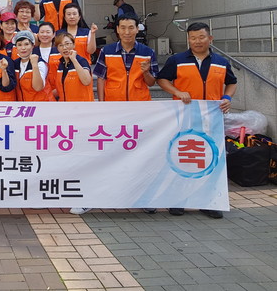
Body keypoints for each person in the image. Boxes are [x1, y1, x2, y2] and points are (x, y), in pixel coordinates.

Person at [157, 22, 237, 220]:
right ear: (188, 40)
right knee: (181, 157)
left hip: (212, 119)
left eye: (201, 37)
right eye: (192, 38)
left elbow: (232, 82)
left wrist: (227, 98)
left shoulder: (221, 62)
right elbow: (162, 80)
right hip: (184, 117)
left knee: (210, 158)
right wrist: (177, 92)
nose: (197, 41)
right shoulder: (177, 60)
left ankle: (208, 201)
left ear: (210, 38)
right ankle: (178, 201)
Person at [94, 14, 158, 101]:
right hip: (113, 102)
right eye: (123, 28)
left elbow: (151, 83)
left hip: (140, 103)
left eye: (131, 28)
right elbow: (101, 79)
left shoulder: (148, 53)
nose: (127, 32)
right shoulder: (106, 51)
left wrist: (146, 72)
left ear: (137, 29)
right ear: (117, 29)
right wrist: (101, 103)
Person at [52, 32, 93, 102]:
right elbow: (61, 88)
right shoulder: (61, 64)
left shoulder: (81, 61)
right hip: (66, 105)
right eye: (60, 45)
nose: (64, 48)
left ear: (74, 45)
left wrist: (74, 60)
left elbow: (86, 81)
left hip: (82, 105)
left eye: (67, 44)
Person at [13, 31, 52, 102]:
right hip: (25, 106)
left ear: (32, 46)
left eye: (26, 44)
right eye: (19, 45)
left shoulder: (40, 63)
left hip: (42, 104)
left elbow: (38, 87)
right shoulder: (15, 64)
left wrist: (34, 65)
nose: (23, 48)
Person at [34, 22, 60, 98]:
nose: (44, 35)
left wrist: (57, 91)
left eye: (48, 32)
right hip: (38, 94)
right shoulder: (32, 52)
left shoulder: (60, 51)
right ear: (38, 34)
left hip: (58, 92)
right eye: (42, 32)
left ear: (54, 34)